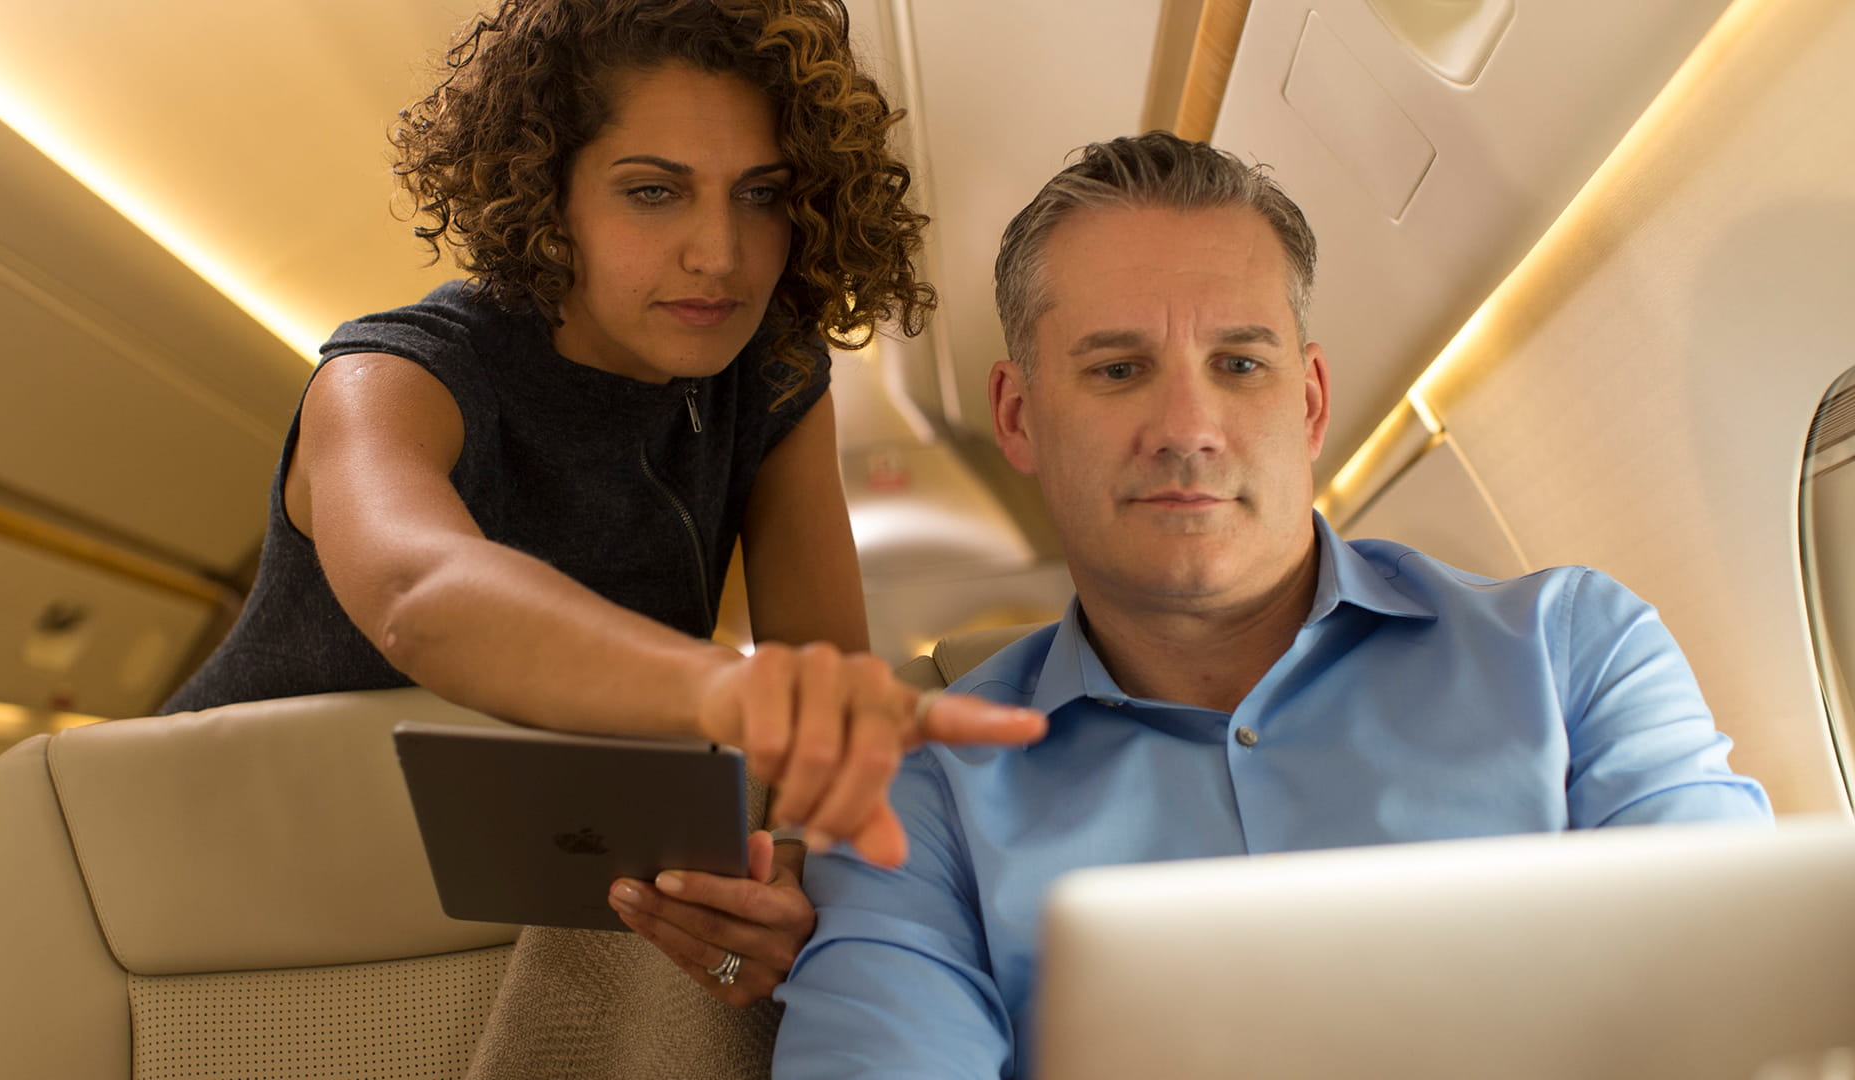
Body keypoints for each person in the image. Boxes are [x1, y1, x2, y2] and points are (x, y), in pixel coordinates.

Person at [157, 2, 1043, 1076]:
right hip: (237, 889)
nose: (719, 253)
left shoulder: (769, 378)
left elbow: (827, 693)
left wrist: (781, 901)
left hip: (543, 908)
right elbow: (419, 591)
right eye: (652, 191)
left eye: (760, 196)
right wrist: (726, 694)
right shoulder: (394, 376)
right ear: (546, 200)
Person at [771, 131, 1773, 1078]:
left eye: (1240, 365)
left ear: (1310, 403)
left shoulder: (1574, 655)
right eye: (1119, 371)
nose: (1188, 428)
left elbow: (1748, 1016)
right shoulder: (919, 790)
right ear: (1019, 416)